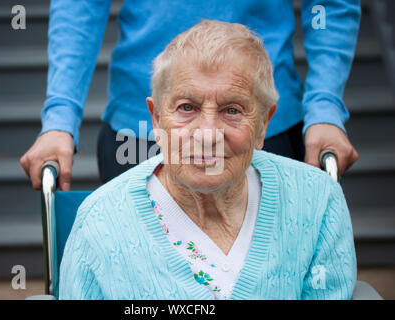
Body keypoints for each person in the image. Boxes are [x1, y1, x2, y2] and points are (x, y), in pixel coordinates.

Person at [59, 21, 357, 299]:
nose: (208, 134)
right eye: (187, 107)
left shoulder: (317, 202)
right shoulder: (100, 224)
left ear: (264, 124)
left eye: (232, 110)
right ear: (157, 118)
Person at [20, 0, 360, 189]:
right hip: (140, 130)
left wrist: (325, 106)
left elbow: (331, 5)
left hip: (259, 122)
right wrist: (60, 118)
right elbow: (80, 8)